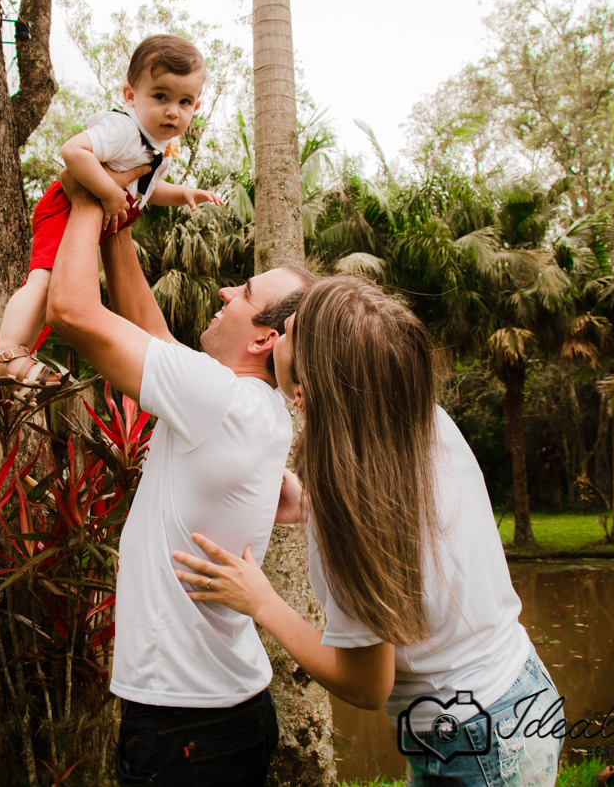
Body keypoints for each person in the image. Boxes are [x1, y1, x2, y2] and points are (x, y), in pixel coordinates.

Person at [172, 274, 564, 787]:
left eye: (288, 330)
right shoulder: (420, 417)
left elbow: (366, 685)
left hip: (472, 743)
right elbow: (412, 527)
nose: (278, 337)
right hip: (519, 692)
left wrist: (262, 602)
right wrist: (310, 505)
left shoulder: (351, 510)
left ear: (313, 384)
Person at [43, 162, 316, 786]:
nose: (225, 293)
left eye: (243, 295)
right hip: (218, 714)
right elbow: (151, 332)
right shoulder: (252, 406)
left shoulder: (219, 400)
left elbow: (71, 312)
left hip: (186, 727)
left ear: (263, 340)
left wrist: (90, 196)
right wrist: (119, 226)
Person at [0, 34, 222, 395]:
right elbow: (73, 152)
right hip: (65, 208)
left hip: (91, 217)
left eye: (185, 101)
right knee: (44, 281)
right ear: (130, 95)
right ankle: (6, 351)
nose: (173, 110)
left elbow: (146, 189)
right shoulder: (124, 129)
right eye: (160, 96)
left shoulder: (158, 144)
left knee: (54, 289)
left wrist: (184, 194)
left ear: (196, 105)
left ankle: (18, 358)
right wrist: (110, 193)